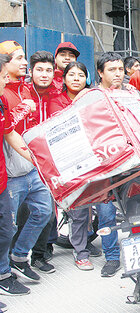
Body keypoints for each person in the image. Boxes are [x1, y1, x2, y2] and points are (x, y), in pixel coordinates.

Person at [65, 52, 126, 276]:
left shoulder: (132, 94)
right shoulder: (88, 97)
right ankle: (112, 257)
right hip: (102, 168)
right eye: (112, 70)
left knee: (137, 211)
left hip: (131, 165)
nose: (118, 74)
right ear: (100, 72)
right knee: (107, 212)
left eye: (120, 69)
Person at [0, 40, 52, 283]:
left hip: (30, 167)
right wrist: (21, 110)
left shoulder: (25, 89)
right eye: (19, 58)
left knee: (44, 211)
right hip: (10, 173)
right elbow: (8, 130)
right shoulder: (4, 93)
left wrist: (38, 159)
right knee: (7, 227)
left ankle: (20, 257)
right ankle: (4, 272)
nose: (24, 63)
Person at [13, 51, 58, 274]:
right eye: (39, 70)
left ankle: (40, 255)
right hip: (22, 160)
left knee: (47, 212)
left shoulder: (57, 94)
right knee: (22, 213)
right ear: (31, 71)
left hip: (48, 162)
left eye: (48, 70)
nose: (44, 74)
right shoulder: (22, 92)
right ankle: (17, 256)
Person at [0, 54, 36, 301]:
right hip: (10, 176)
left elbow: (9, 132)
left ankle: (14, 263)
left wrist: (38, 161)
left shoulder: (1, 99)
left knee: (6, 229)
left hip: (4, 177)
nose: (5, 81)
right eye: (3, 76)